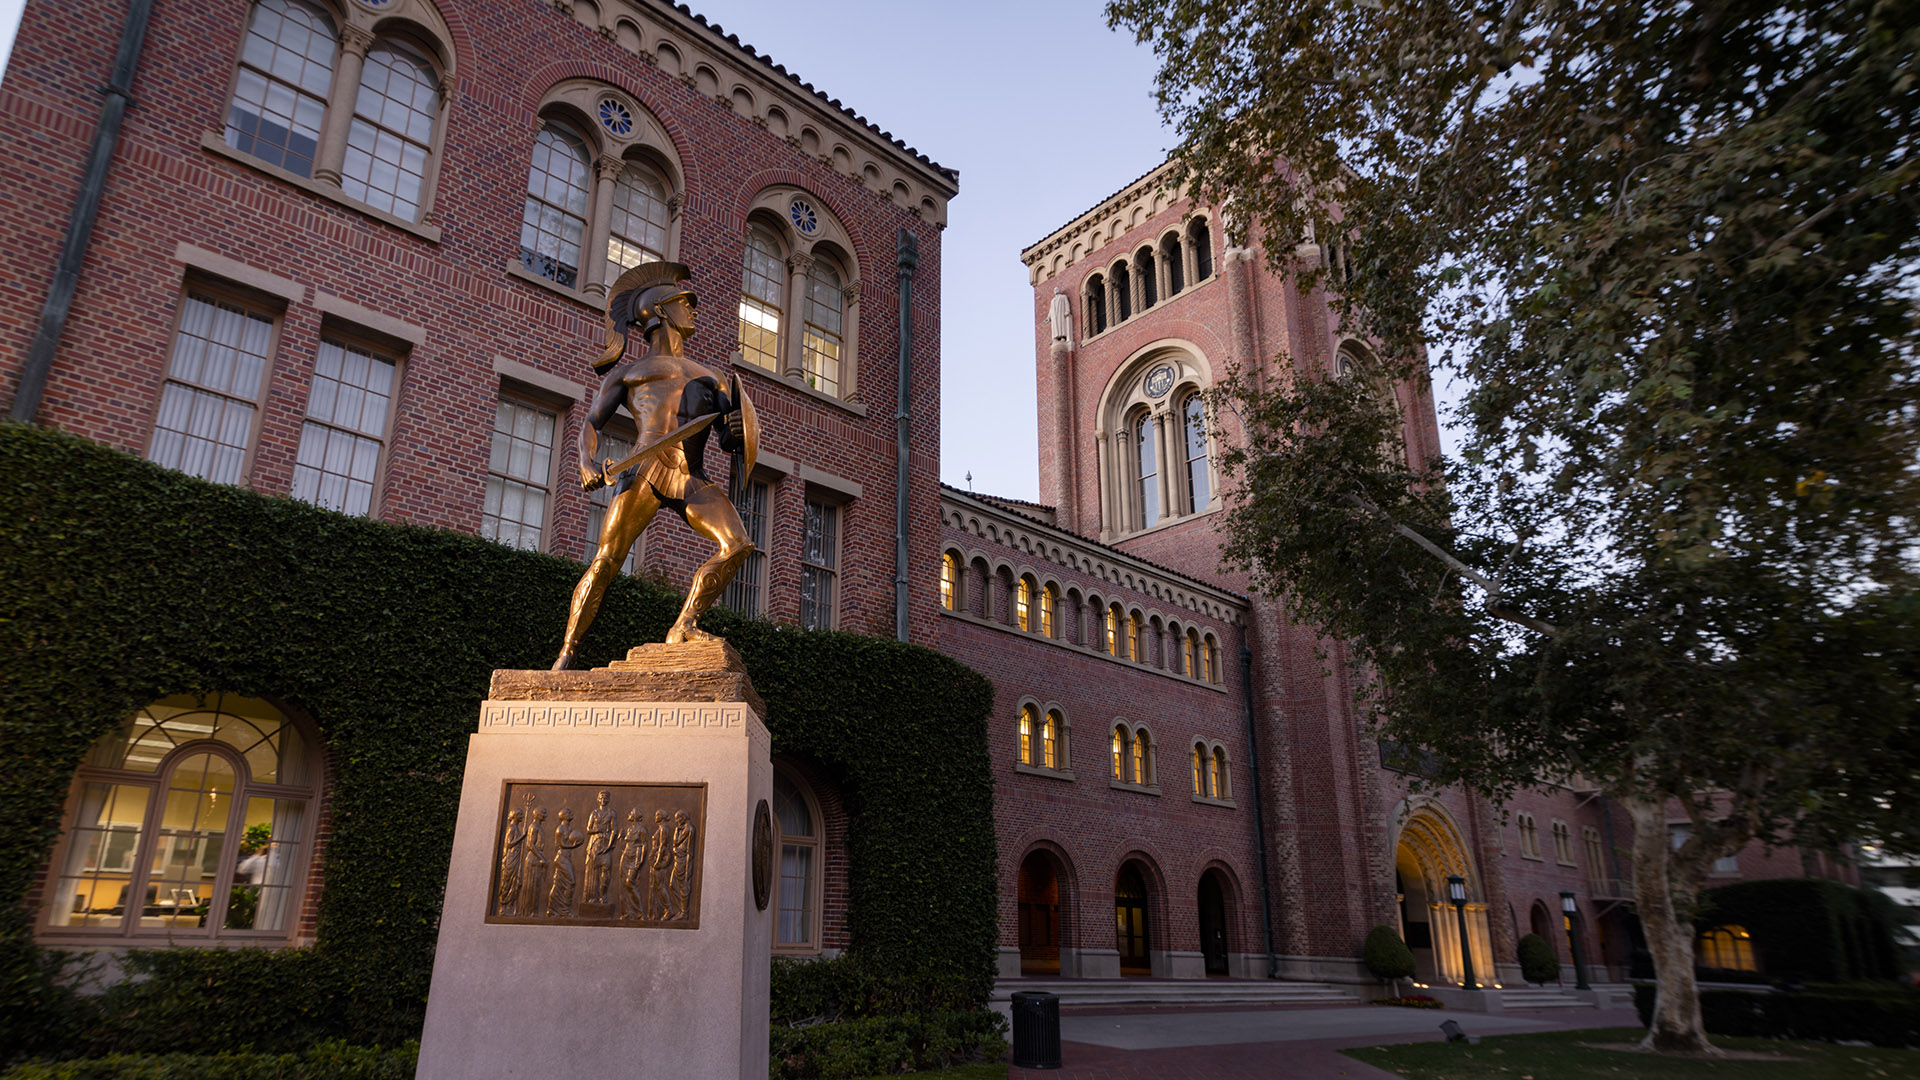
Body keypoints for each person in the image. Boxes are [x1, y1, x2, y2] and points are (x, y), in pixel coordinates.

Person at [554, 262, 757, 669]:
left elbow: (728, 439)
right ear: (662, 310)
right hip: (642, 470)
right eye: (685, 303)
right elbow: (592, 423)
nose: (693, 311)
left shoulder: (713, 378)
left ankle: (684, 625)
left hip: (691, 475)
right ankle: (567, 652)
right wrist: (585, 462)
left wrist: (737, 431)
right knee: (607, 559)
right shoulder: (629, 373)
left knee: (737, 544)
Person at [582, 790, 616, 905]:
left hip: (606, 844)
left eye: (605, 797)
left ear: (608, 800)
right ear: (598, 799)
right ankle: (593, 897)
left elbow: (614, 830)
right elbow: (588, 829)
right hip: (594, 844)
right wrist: (597, 830)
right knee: (593, 871)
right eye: (601, 797)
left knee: (605, 871)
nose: (603, 799)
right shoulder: (594, 813)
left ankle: (603, 895)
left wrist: (609, 845)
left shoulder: (612, 813)